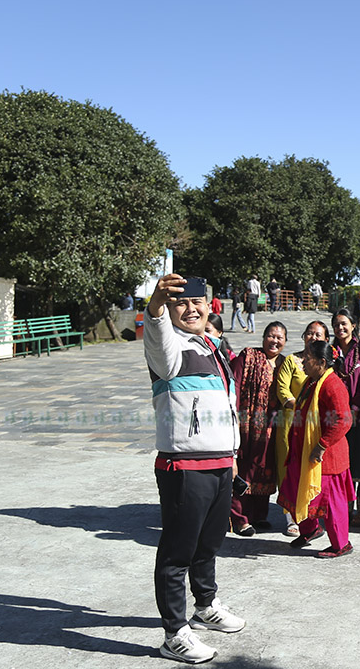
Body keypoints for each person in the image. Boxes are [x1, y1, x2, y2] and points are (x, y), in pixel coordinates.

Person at [143, 273, 245, 663]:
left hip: (220, 463)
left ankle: (205, 605)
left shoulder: (212, 345)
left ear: (209, 306)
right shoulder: (167, 346)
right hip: (184, 465)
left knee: (209, 543)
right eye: (180, 303)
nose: (190, 309)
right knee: (177, 552)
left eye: (197, 302)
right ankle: (174, 633)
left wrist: (233, 458)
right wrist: (155, 306)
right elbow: (155, 326)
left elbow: (228, 408)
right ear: (170, 309)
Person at [277, 340, 355, 558]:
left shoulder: (332, 384)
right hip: (303, 451)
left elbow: (343, 420)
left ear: (321, 362)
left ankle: (341, 544)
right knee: (298, 491)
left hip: (326, 456)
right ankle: (310, 530)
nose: (302, 362)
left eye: (307, 358)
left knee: (331, 501)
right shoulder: (312, 382)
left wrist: (321, 446)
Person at [228, 321, 289, 536]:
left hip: (273, 428)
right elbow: (234, 385)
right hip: (247, 425)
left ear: (285, 342)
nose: (275, 341)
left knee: (265, 470)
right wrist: (233, 415)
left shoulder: (285, 364)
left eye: (280, 338)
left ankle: (259, 515)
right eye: (271, 336)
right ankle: (240, 518)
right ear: (263, 338)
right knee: (245, 469)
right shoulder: (248, 357)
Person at [272, 320, 330, 537]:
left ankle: (313, 517)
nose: (314, 338)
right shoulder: (292, 360)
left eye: (319, 334)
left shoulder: (327, 365)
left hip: (317, 426)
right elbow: (282, 388)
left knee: (315, 469)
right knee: (289, 469)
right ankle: (291, 519)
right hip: (291, 422)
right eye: (310, 333)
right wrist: (298, 407)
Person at [331, 308, 360, 524]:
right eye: (337, 324)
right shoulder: (330, 351)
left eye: (344, 323)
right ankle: (343, 508)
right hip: (335, 417)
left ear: (353, 325)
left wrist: (355, 406)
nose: (341, 328)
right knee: (341, 464)